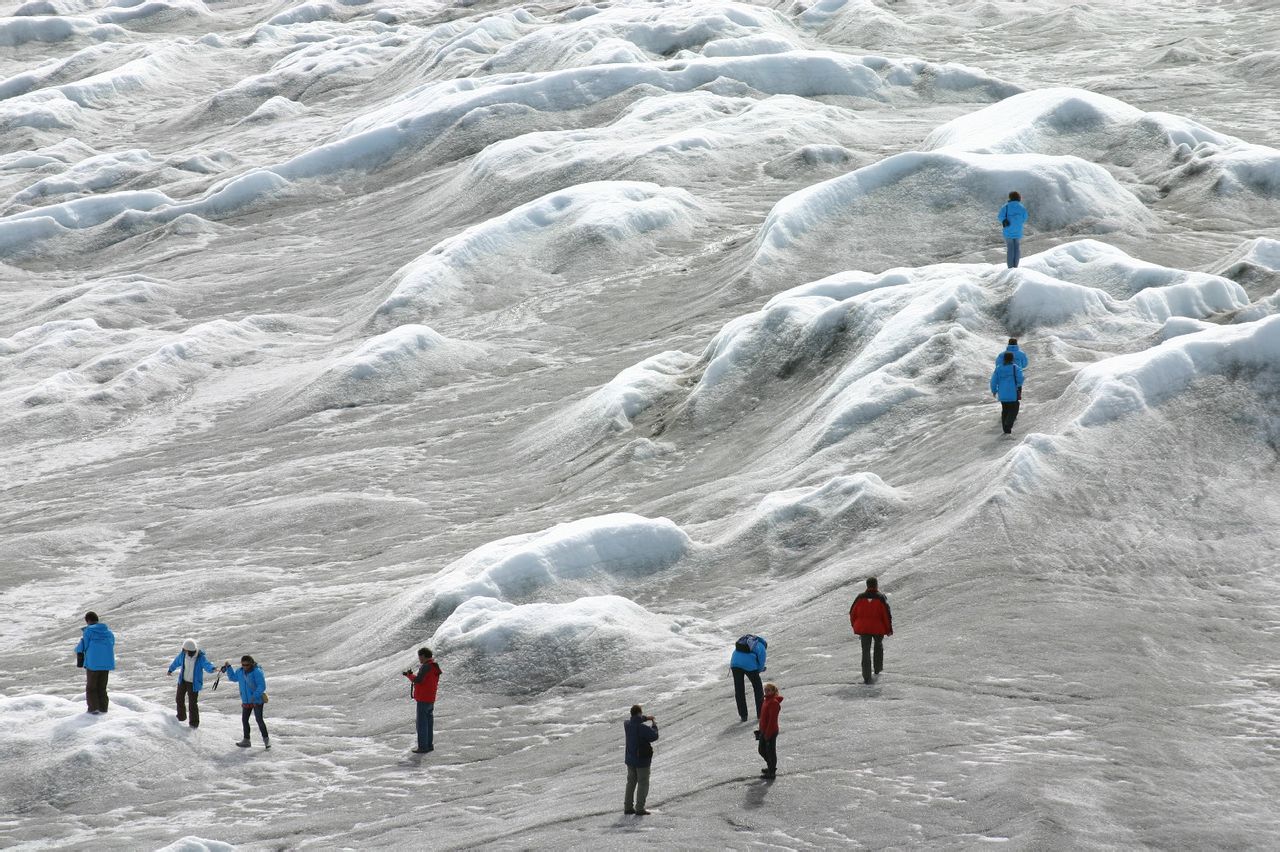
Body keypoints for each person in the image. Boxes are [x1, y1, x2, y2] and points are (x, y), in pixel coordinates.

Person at [849, 578, 893, 684]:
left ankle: (866, 677)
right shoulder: (881, 598)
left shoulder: (860, 597)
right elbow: (886, 615)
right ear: (876, 585)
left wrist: (855, 626)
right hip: (878, 628)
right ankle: (877, 669)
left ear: (867, 585)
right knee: (878, 646)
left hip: (863, 629)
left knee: (865, 652)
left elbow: (852, 613)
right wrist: (889, 629)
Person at [167, 638, 216, 728]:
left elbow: (207, 665)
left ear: (190, 650)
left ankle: (194, 723)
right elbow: (176, 662)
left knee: (192, 704)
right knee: (179, 699)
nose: (183, 651)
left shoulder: (200, 657)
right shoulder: (183, 655)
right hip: (183, 681)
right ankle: (181, 717)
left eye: (185, 649)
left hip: (193, 684)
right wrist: (170, 669)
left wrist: (213, 668)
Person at [222, 656, 269, 749]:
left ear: (251, 663)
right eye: (243, 665)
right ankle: (246, 740)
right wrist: (228, 667)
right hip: (246, 700)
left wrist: (254, 696)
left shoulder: (257, 672)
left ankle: (266, 740)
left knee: (259, 720)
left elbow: (262, 686)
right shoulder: (240, 672)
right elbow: (233, 678)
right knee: (244, 720)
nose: (245, 667)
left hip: (256, 700)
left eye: (247, 665)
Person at [74, 611, 115, 714]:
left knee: (92, 688)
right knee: (102, 687)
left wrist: (78, 651)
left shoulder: (88, 631)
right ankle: (103, 709)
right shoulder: (109, 632)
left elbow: (83, 645)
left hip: (93, 664)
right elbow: (112, 644)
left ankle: (93, 710)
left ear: (87, 621)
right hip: (106, 664)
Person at [402, 647, 442, 754]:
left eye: (419, 656)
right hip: (431, 698)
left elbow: (419, 680)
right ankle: (429, 745)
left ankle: (423, 747)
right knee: (429, 723)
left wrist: (409, 675)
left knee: (422, 724)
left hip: (423, 698)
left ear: (423, 656)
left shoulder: (426, 666)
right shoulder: (434, 666)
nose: (419, 658)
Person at [623, 704, 659, 816]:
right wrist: (654, 726)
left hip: (630, 759)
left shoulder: (627, 724)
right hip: (642, 760)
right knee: (643, 783)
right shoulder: (642, 728)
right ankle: (639, 808)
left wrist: (645, 718)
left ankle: (628, 807)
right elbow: (654, 736)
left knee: (631, 783)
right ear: (639, 713)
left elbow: (635, 720)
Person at [729, 634, 767, 722]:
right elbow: (761, 665)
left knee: (739, 690)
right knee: (758, 688)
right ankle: (760, 714)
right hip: (749, 665)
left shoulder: (747, 641)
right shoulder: (762, 647)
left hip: (735, 663)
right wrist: (759, 670)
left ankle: (743, 716)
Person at [989, 350, 1025, 435]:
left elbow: (993, 381)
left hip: (1002, 394)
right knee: (1014, 408)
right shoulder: (1015, 367)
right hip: (1012, 393)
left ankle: (1006, 430)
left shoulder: (998, 368)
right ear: (1012, 359)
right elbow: (1021, 378)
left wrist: (994, 391)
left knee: (1005, 410)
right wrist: (1018, 384)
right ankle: (1008, 423)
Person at [756, 683, 783, 779]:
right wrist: (760, 730)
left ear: (773, 691)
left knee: (771, 752)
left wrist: (768, 734)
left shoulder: (774, 703)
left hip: (771, 731)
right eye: (765, 689)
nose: (766, 691)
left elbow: (772, 720)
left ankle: (772, 772)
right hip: (764, 730)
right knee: (762, 750)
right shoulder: (766, 700)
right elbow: (763, 717)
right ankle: (770, 767)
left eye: (768, 690)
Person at [997, 191, 1028, 268]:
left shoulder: (1006, 206)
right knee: (1017, 248)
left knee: (1010, 248)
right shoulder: (1021, 207)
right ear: (1018, 197)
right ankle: (1015, 266)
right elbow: (1025, 218)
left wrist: (1005, 220)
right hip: (1018, 230)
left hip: (1008, 231)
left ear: (1010, 197)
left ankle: (1010, 267)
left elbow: (1000, 216)